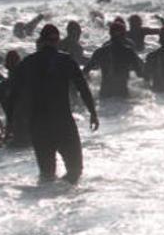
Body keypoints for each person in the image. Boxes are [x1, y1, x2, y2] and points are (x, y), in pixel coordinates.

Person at [7, 25, 99, 183]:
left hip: (39, 125)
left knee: (47, 174)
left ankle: (46, 200)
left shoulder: (28, 62)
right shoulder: (66, 60)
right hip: (63, 122)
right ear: (57, 41)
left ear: (41, 41)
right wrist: (92, 113)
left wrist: (10, 123)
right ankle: (69, 201)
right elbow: (83, 88)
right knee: (75, 171)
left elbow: (13, 96)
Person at [83, 21, 145, 99]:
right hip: (122, 96)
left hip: (104, 96)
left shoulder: (100, 52)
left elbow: (85, 72)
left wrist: (90, 82)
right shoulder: (129, 52)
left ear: (110, 34)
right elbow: (140, 74)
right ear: (124, 35)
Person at [0, 51, 28, 147]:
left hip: (12, 135)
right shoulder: (30, 86)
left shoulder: (1, 88)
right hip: (33, 134)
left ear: (6, 66)